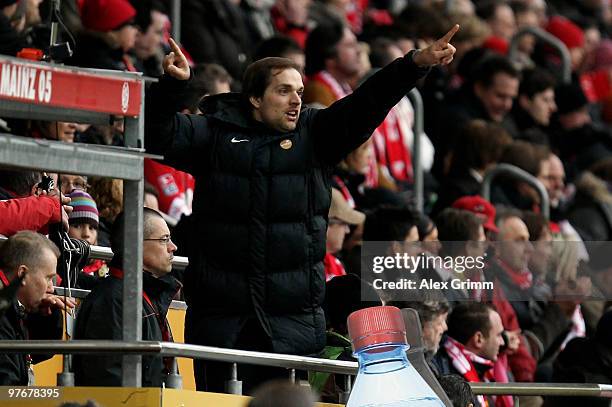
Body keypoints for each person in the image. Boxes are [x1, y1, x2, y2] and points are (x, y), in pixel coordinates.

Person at [145, 27, 458, 392]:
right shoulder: (214, 134)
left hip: (289, 331)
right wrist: (170, 87)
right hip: (222, 326)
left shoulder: (316, 136)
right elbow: (156, 134)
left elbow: (368, 102)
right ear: (255, 99)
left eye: (299, 91)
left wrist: (414, 63)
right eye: (283, 90)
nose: (296, 100)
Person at [72, 208, 181, 387]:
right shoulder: (113, 300)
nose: (173, 247)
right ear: (135, 244)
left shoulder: (142, 296)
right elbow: (108, 380)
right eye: (164, 240)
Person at [0, 231, 74, 385]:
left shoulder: (12, 306)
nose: (51, 288)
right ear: (23, 274)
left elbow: (35, 355)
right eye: (48, 278)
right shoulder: (3, 311)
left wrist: (44, 316)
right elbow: (6, 385)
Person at [432, 303, 507, 407]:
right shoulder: (443, 371)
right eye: (498, 335)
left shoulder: (484, 371)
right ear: (478, 339)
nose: (502, 342)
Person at [325, 188, 365, 281]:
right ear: (326, 225)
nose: (347, 231)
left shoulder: (334, 264)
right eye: (344, 223)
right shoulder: (304, 269)